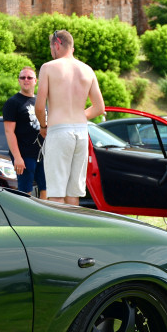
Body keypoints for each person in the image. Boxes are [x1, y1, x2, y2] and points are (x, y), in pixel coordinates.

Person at [35, 30, 104, 205]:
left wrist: (43, 126)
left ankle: (58, 232)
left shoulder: (49, 67)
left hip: (59, 131)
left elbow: (40, 107)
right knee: (73, 192)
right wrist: (80, 116)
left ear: (56, 45)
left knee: (56, 192)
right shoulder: (87, 70)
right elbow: (99, 108)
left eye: (52, 47)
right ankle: (74, 232)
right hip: (81, 132)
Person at [3, 66, 47, 198]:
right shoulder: (13, 103)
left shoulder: (40, 101)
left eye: (29, 77)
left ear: (35, 81)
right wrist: (17, 157)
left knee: (46, 187)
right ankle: (24, 218)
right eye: (22, 77)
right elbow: (9, 132)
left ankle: (44, 217)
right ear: (19, 81)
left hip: (42, 152)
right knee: (25, 191)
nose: (26, 80)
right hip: (24, 154)